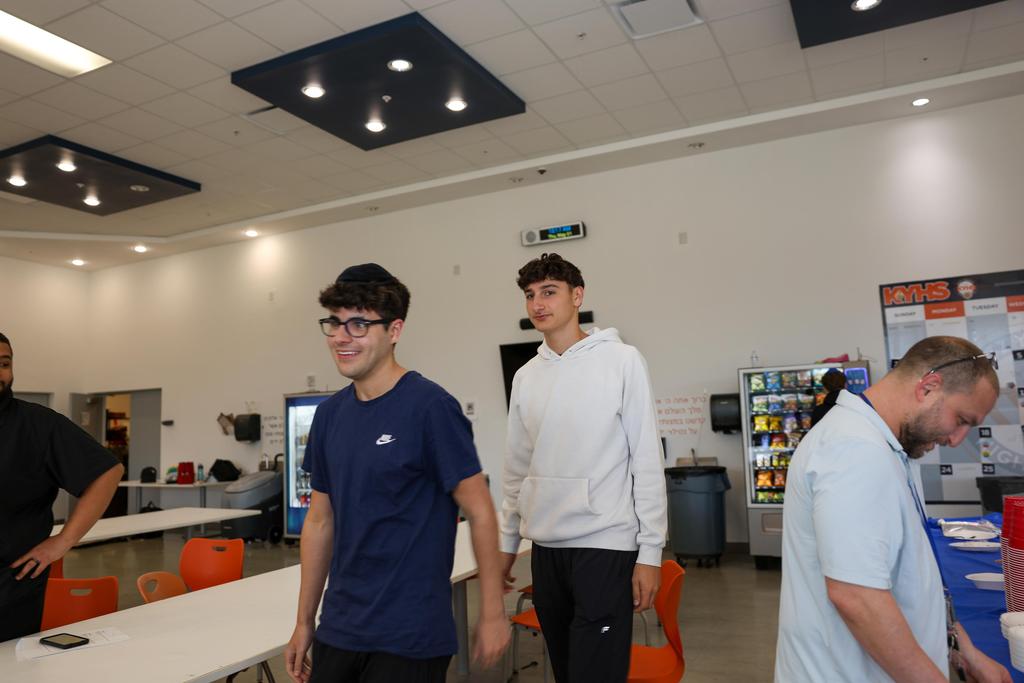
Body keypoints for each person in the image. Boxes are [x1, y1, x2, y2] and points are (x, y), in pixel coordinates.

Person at [284, 264, 509, 683]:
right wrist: (303, 621)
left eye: (358, 324)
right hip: (340, 627)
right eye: (334, 322)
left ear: (395, 330)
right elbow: (319, 521)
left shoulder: (431, 408)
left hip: (410, 635)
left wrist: (493, 611)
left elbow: (480, 512)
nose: (341, 337)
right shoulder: (329, 416)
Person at [775, 335, 1011, 683]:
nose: (956, 440)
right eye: (961, 419)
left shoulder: (889, 444)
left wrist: (964, 650)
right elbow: (857, 597)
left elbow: (905, 575)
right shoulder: (855, 450)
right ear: (928, 387)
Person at [499, 253, 668, 683]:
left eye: (549, 292)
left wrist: (650, 554)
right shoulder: (526, 376)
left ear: (577, 296)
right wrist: (506, 544)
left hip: (605, 545)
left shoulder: (623, 360)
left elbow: (647, 461)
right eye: (530, 295)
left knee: (597, 672)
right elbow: (516, 469)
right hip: (546, 549)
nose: (538, 303)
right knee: (567, 670)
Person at [0, 331, 123, 643]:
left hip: (11, 585)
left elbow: (107, 472)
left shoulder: (38, 425)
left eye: (4, 364)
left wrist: (63, 541)